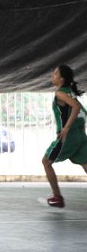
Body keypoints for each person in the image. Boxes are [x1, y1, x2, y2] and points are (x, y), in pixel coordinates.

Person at [42, 65, 87, 207]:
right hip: (80, 135)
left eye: (55, 73)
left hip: (69, 137)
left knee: (46, 162)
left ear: (61, 79)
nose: (52, 75)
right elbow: (83, 113)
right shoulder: (69, 92)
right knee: (85, 164)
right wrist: (80, 129)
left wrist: (66, 128)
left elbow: (77, 107)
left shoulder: (60, 94)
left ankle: (57, 198)